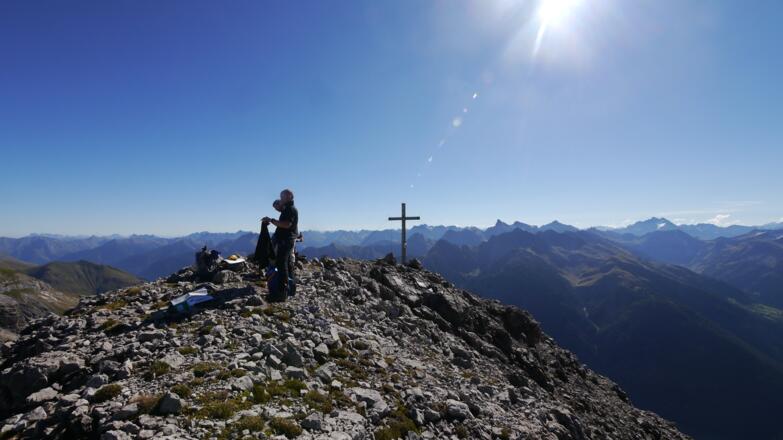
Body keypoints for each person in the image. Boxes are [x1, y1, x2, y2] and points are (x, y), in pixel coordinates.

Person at [262, 189, 298, 300]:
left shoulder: (291, 209)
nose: (281, 198)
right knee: (287, 263)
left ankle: (281, 292)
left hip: (286, 240)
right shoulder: (287, 209)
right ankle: (291, 289)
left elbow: (287, 224)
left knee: (281, 263)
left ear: (290, 196)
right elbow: (281, 213)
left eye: (283, 196)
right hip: (286, 240)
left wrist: (272, 220)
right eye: (281, 196)